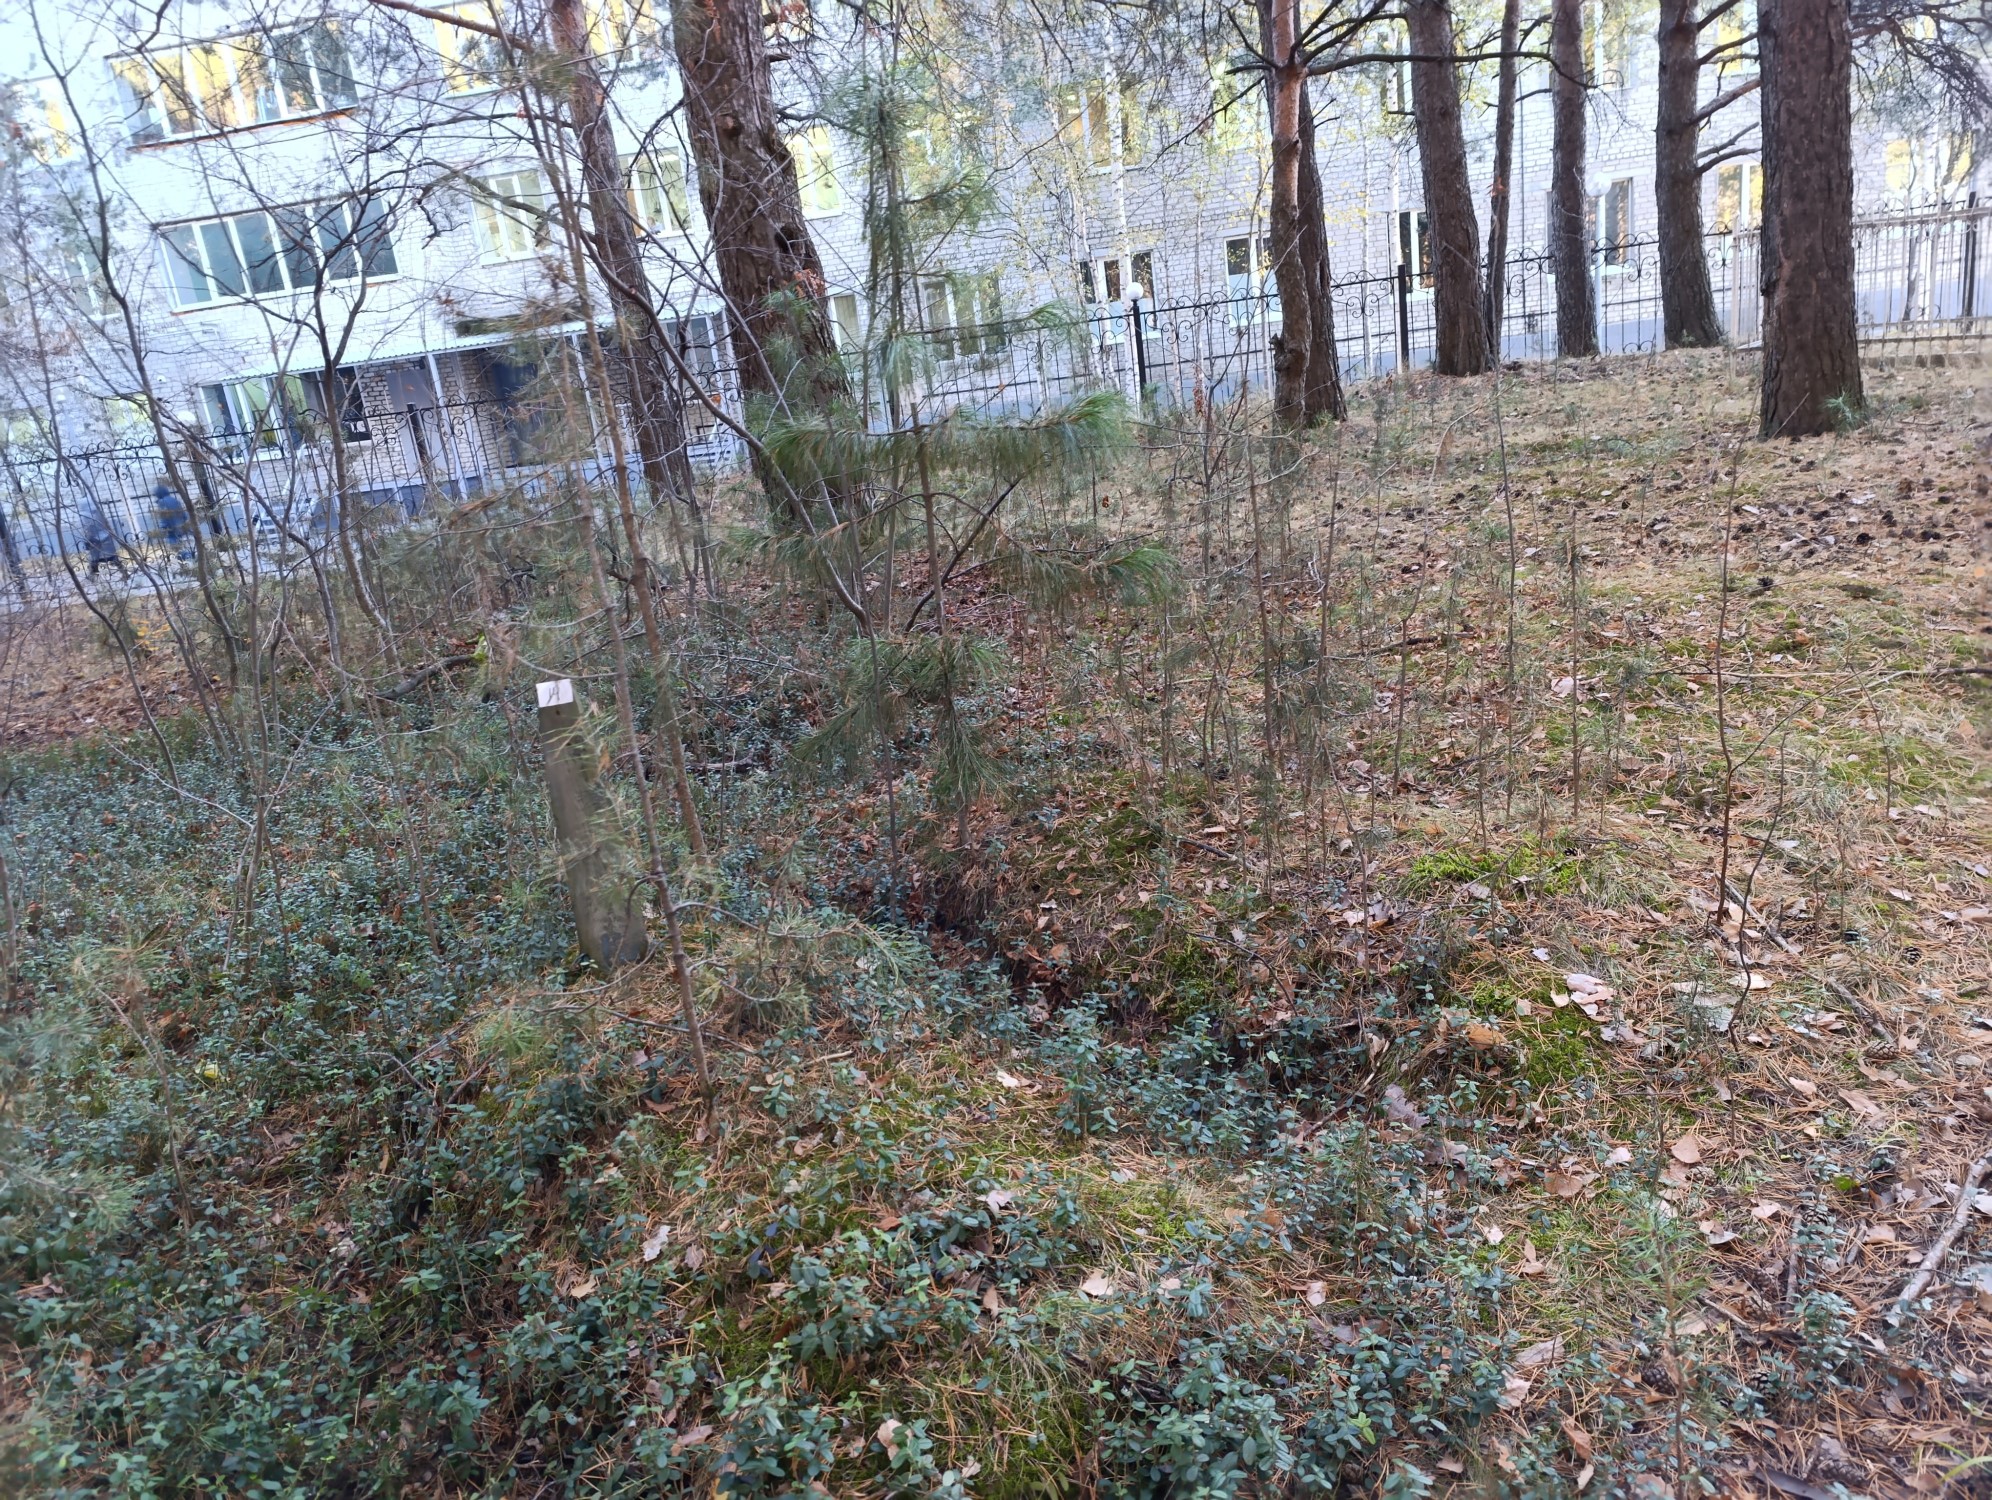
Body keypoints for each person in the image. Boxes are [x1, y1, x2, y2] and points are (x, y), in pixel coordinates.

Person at [153, 479, 192, 561]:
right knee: (184, 543)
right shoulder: (175, 500)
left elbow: (164, 516)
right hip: (181, 525)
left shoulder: (162, 502)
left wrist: (163, 527)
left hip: (171, 527)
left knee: (175, 544)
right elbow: (183, 513)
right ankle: (189, 557)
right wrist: (185, 522)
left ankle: (185, 558)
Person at [82, 503, 125, 579]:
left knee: (111, 557)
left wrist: (95, 537)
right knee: (95, 558)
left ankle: (124, 572)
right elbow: (89, 528)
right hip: (96, 539)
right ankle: (93, 575)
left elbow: (103, 527)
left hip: (102, 538)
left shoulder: (98, 515)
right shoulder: (88, 515)